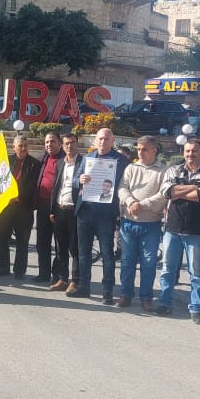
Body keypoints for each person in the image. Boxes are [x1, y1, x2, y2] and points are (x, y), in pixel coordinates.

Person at [154, 137, 200, 324]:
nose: (191, 154)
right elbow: (166, 192)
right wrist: (193, 187)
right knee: (167, 270)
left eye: (195, 151)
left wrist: (178, 191)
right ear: (183, 152)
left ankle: (196, 308)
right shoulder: (174, 169)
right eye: (188, 151)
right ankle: (165, 303)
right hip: (173, 228)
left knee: (196, 273)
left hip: (198, 230)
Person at [71, 127, 126, 302]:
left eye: (106, 139)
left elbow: (125, 184)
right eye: (100, 138)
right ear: (96, 140)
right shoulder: (87, 158)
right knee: (83, 253)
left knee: (107, 254)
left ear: (112, 141)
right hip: (85, 211)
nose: (102, 142)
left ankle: (107, 291)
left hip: (106, 214)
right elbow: (74, 180)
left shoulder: (121, 160)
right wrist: (80, 180)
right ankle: (83, 287)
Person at [117, 135, 167, 311]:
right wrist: (131, 202)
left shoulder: (163, 171)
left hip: (150, 224)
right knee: (127, 261)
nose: (140, 152)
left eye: (144, 149)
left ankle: (146, 297)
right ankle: (126, 294)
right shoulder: (131, 168)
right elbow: (122, 187)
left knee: (148, 263)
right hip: (129, 222)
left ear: (154, 150)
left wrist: (142, 205)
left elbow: (163, 194)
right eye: (138, 149)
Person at [0, 135, 40, 279]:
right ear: (14, 147)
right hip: (6, 207)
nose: (23, 148)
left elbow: (33, 184)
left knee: (22, 241)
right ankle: (3, 267)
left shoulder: (35, 164)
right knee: (1, 237)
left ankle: (19, 270)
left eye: (25, 145)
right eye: (20, 146)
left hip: (24, 207)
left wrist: (18, 196)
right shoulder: (5, 161)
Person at [48, 133, 82, 294]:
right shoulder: (60, 163)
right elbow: (56, 187)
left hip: (75, 211)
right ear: (62, 146)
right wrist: (52, 210)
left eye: (72, 142)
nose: (70, 146)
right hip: (59, 209)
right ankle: (62, 279)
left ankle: (75, 280)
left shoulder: (84, 163)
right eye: (67, 143)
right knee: (60, 248)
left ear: (77, 144)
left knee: (74, 248)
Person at [31, 132, 64, 284]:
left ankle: (57, 275)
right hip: (43, 206)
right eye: (47, 142)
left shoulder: (66, 159)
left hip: (59, 207)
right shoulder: (42, 158)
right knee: (42, 242)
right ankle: (43, 273)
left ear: (60, 143)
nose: (49, 144)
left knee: (60, 244)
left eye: (52, 141)